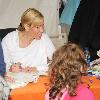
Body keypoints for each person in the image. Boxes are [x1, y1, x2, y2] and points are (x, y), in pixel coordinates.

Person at [1, 8, 55, 81]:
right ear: (26, 27)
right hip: (16, 84)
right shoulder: (9, 40)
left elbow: (57, 62)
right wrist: (11, 68)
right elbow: (3, 66)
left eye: (42, 26)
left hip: (39, 82)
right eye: (37, 27)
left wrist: (37, 68)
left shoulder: (44, 39)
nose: (42, 30)